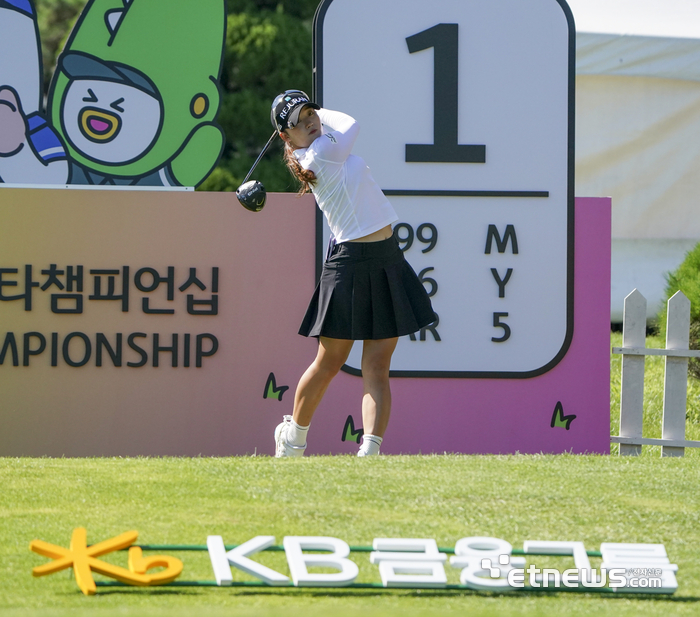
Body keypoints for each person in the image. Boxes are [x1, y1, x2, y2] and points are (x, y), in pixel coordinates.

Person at [271, 90, 435, 458]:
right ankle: (293, 441)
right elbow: (351, 123)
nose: (310, 121)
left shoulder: (323, 149)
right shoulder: (320, 153)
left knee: (377, 364)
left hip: (385, 257)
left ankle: (370, 453)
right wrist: (318, 112)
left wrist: (302, 110)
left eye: (311, 113)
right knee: (329, 362)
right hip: (349, 261)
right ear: (286, 137)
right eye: (298, 122)